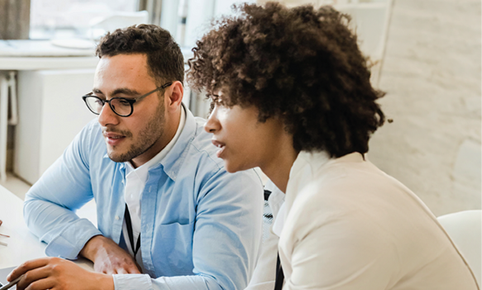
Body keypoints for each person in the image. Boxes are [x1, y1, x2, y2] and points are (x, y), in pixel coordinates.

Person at [187, 2, 479, 289]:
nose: (210, 122)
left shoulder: (335, 211)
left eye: (224, 102)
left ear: (282, 104)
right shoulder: (295, 192)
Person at [7, 24, 264, 290]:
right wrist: (96, 245)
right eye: (100, 99)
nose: (105, 119)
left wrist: (102, 285)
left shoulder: (224, 170)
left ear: (173, 96)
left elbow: (219, 286)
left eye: (124, 101)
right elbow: (39, 203)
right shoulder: (97, 139)